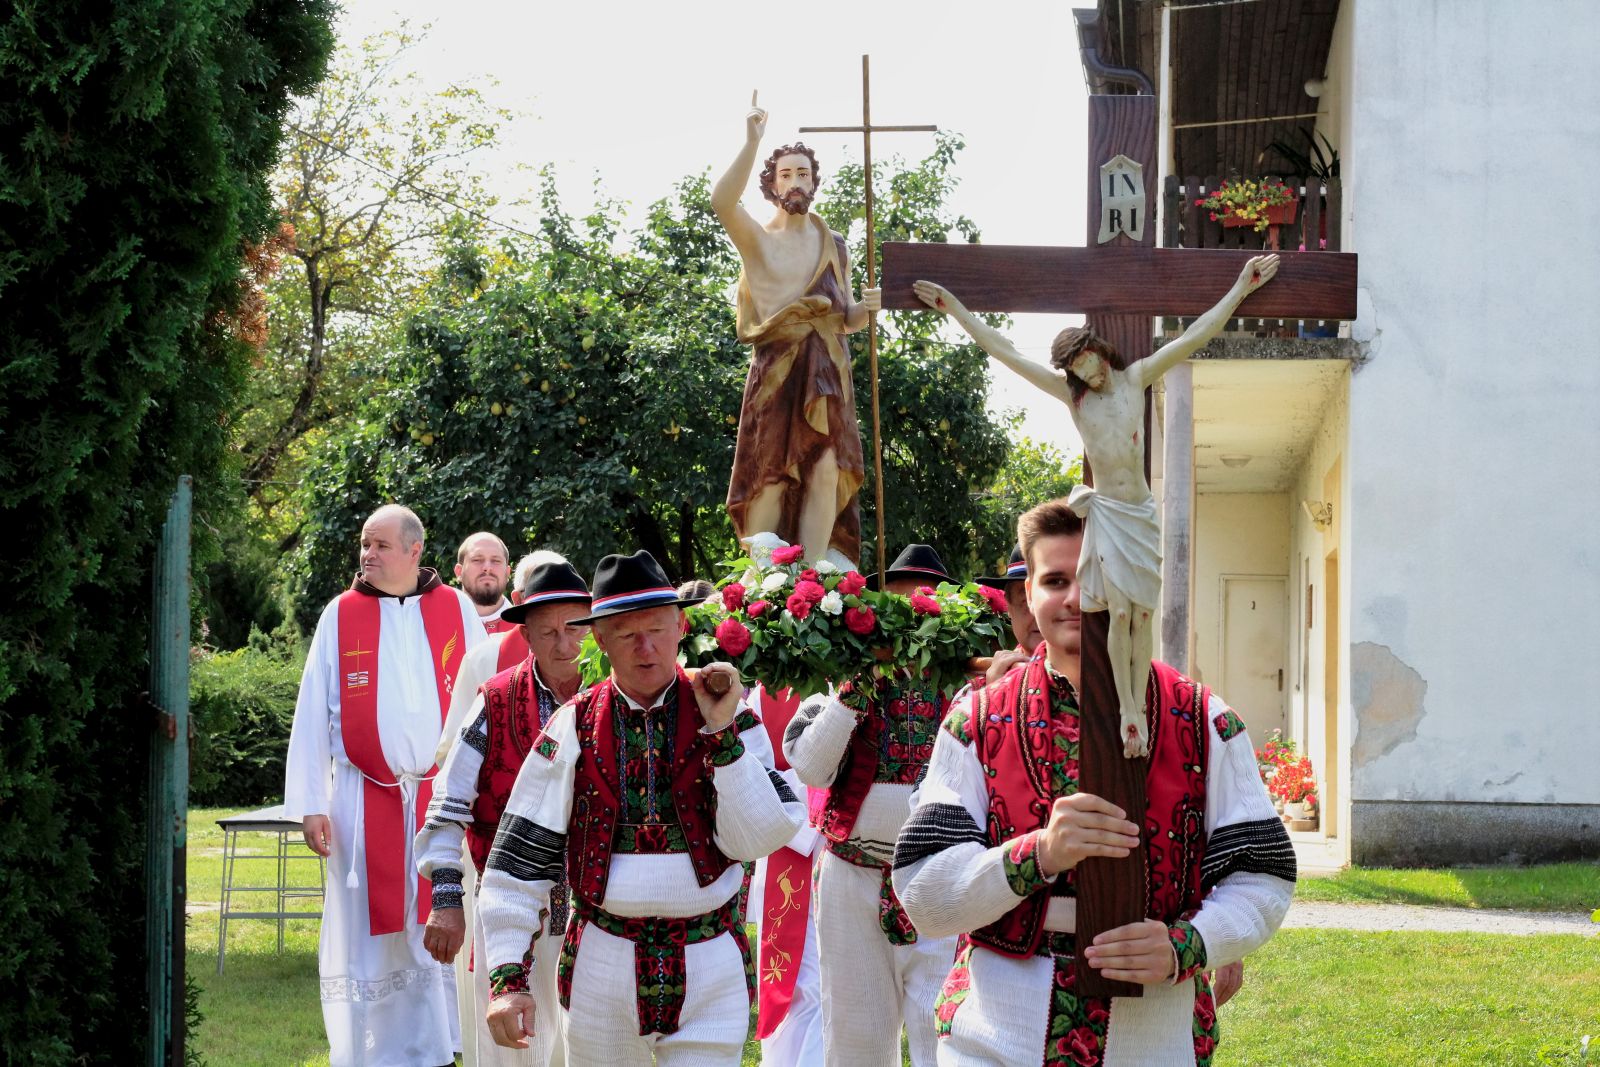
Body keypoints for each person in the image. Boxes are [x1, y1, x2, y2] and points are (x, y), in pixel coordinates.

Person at [891, 499, 1295, 1066]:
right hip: (997, 1035)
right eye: (1055, 580)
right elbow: (923, 893)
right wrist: (1039, 853)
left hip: (1153, 1039)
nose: (1078, 598)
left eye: (1098, 580)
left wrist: (1189, 945)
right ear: (1028, 593)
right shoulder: (975, 722)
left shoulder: (1206, 720)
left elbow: (1262, 875)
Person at [914, 256, 1279, 757]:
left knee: (1142, 615)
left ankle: (1140, 702)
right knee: (1119, 613)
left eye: (1091, 362)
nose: (1091, 374)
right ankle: (1128, 709)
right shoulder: (1075, 398)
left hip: (1139, 513)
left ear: (1100, 352)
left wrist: (1241, 288)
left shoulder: (1136, 378)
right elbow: (1004, 351)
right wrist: (954, 308)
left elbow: (1196, 335)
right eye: (1080, 371)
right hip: (1107, 513)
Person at [477, 550, 804, 1066]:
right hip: (601, 966)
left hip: (710, 963)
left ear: (681, 627)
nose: (645, 648)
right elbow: (519, 859)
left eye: (655, 629)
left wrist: (722, 733)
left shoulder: (731, 715)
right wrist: (507, 978)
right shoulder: (573, 724)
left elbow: (762, 835)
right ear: (599, 638)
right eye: (626, 634)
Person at [284, 503, 487, 1067]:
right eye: (364, 545)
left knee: (440, 917)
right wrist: (311, 803)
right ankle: (371, 1050)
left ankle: (443, 1043)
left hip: (440, 799)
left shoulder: (456, 609)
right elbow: (311, 712)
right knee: (370, 933)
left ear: (414, 550)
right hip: (360, 797)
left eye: (380, 545)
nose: (367, 555)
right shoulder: (341, 614)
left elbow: (484, 695)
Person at [782, 544, 962, 1067]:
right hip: (852, 877)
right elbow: (811, 768)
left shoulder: (964, 685)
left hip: (940, 874)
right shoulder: (841, 677)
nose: (911, 613)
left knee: (942, 1031)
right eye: (899, 601)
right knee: (856, 1036)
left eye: (925, 600)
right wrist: (858, 687)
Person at [416, 557, 593, 1067]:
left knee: (591, 1044)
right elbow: (448, 804)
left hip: (598, 915)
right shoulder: (494, 702)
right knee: (509, 1047)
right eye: (548, 632)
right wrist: (446, 899)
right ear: (526, 636)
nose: (564, 645)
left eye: (574, 628)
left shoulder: (617, 698)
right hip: (508, 909)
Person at [712, 100, 880, 567]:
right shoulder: (759, 240)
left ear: (814, 183)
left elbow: (846, 317)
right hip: (777, 371)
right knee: (771, 473)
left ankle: (815, 577)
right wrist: (752, 143)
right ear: (771, 184)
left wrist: (868, 310)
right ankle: (763, 578)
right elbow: (722, 202)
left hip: (828, 369)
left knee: (826, 469)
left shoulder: (835, 245)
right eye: (785, 175)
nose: (795, 182)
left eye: (802, 174)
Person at [976, 544, 1043, 685]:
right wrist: (995, 693)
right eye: (1027, 601)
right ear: (1009, 607)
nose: (1041, 615)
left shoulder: (1091, 680)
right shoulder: (975, 693)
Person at [457, 531, 515, 633]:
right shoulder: (437, 624)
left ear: (507, 573)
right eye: (477, 560)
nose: (487, 568)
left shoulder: (526, 630)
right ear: (459, 572)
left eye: (496, 561)